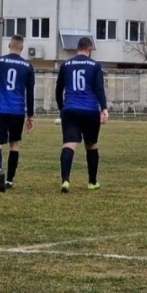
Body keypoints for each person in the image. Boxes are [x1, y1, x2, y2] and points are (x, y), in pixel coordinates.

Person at [0, 35, 35, 193]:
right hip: (17, 111)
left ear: (9, 46)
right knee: (14, 144)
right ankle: (9, 180)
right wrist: (30, 116)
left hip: (0, 110)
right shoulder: (27, 66)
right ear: (22, 48)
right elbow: (30, 93)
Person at [55, 37, 108, 193]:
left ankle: (65, 180)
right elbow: (99, 88)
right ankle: (92, 182)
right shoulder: (95, 66)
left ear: (77, 48)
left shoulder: (65, 65)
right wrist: (104, 108)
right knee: (91, 145)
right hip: (90, 110)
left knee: (69, 144)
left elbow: (58, 89)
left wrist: (62, 108)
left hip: (70, 109)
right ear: (89, 50)